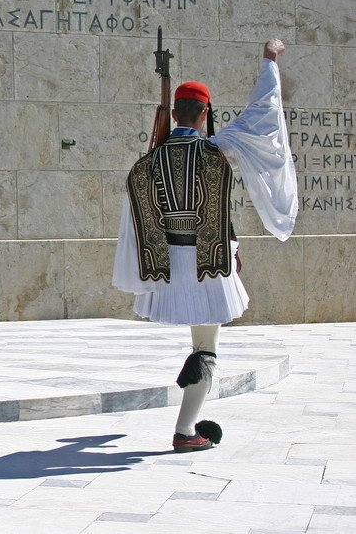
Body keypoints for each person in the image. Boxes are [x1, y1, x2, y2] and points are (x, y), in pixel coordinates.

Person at [113, 38, 297, 453]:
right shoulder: (219, 151)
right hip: (208, 265)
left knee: (200, 346)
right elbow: (261, 116)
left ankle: (188, 422)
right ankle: (185, 430)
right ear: (205, 114)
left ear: (173, 113)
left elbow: (139, 221)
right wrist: (268, 61)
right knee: (206, 347)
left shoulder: (146, 163)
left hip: (166, 266)